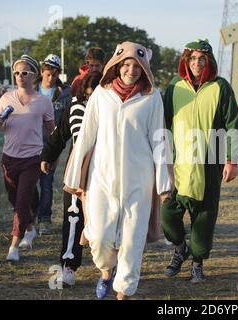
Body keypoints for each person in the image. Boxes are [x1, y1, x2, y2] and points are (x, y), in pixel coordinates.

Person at [64, 42, 172, 300]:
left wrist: (164, 184)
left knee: (132, 242)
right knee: (100, 238)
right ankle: (105, 270)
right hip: (101, 178)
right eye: (126, 65)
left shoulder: (151, 96)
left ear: (144, 68)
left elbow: (160, 140)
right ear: (117, 65)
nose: (131, 70)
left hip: (139, 180)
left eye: (137, 65)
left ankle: (123, 291)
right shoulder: (101, 94)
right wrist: (73, 176)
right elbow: (87, 134)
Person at [161, 39, 238, 283]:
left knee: (204, 217)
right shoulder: (175, 86)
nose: (196, 63)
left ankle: (197, 263)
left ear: (209, 61)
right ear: (186, 60)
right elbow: (163, 123)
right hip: (178, 163)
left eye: (201, 59)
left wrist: (231, 160)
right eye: (192, 58)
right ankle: (180, 248)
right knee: (167, 213)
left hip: (210, 163)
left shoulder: (221, 87)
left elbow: (232, 125)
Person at [0, 55, 54, 262]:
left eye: (24, 73)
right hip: (9, 158)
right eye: (17, 72)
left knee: (23, 200)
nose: (19, 76)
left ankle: (14, 246)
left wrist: (52, 155)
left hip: (32, 158)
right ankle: (31, 228)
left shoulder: (43, 102)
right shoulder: (6, 98)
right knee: (14, 199)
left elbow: (52, 133)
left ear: (34, 76)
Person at [40, 71, 102, 286]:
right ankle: (68, 265)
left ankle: (110, 266)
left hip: (106, 173)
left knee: (107, 219)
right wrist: (48, 156)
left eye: (96, 95)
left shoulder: (113, 108)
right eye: (88, 95)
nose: (91, 100)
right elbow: (59, 134)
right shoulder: (75, 106)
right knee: (73, 217)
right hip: (77, 172)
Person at [32, 54, 72, 235]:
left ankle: (45, 219)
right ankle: (31, 217)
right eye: (48, 74)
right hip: (29, 144)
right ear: (42, 72)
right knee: (29, 184)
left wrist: (55, 152)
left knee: (46, 184)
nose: (51, 78)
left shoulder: (64, 94)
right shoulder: (31, 90)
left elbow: (65, 122)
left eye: (55, 75)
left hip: (50, 146)